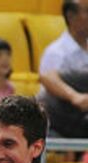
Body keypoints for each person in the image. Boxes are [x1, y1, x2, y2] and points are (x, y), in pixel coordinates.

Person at [38, 0, 88, 138]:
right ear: (71, 16)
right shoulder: (56, 51)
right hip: (60, 119)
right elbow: (47, 78)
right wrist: (76, 97)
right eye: (87, 11)